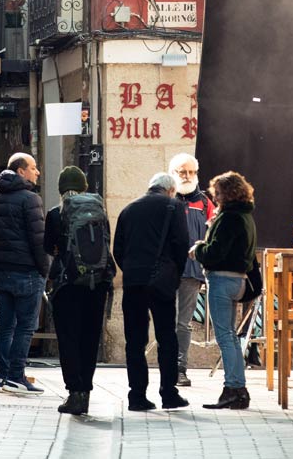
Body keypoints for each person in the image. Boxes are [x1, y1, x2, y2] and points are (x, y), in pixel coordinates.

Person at [113, 172, 190, 412]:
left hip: (133, 282)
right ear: (171, 190)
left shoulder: (128, 210)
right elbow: (182, 244)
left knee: (134, 340)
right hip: (161, 283)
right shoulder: (174, 207)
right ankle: (169, 393)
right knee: (167, 337)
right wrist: (174, 274)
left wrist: (132, 270)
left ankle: (137, 396)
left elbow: (118, 249)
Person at [45, 165, 114, 416]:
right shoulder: (99, 210)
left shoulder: (56, 213)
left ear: (61, 188)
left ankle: (75, 393)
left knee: (69, 338)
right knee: (90, 338)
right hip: (98, 283)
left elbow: (48, 246)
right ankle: (86, 391)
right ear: (84, 187)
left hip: (68, 283)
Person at [0, 152, 49, 395]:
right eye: (33, 167)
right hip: (27, 272)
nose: (37, 172)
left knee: (6, 325)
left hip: (2, 271)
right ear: (21, 171)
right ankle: (16, 376)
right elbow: (38, 240)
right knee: (25, 327)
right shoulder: (30, 199)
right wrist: (45, 269)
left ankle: (3, 376)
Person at [192, 171, 257, 410]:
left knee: (225, 337)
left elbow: (215, 252)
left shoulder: (229, 218)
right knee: (230, 336)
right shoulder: (245, 215)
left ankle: (233, 388)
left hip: (222, 279)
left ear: (229, 193)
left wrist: (199, 249)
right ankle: (238, 390)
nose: (215, 197)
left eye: (218, 193)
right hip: (238, 280)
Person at [169, 152, 213, 387]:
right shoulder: (165, 200)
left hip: (192, 272)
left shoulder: (205, 203)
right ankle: (168, 367)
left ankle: (179, 369)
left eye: (191, 172)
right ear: (173, 173)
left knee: (183, 323)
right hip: (166, 271)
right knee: (167, 320)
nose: (187, 176)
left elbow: (214, 234)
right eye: (182, 172)